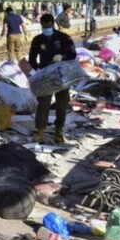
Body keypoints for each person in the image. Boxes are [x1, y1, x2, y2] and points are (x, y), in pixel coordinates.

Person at [29, 14, 77, 144]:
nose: (46, 29)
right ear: (41, 25)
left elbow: (73, 54)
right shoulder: (38, 40)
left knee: (62, 103)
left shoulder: (64, 38)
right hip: (46, 76)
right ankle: (40, 131)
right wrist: (37, 70)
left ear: (53, 24)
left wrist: (62, 56)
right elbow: (32, 58)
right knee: (43, 104)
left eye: (48, 26)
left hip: (61, 75)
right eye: (44, 27)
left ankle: (59, 131)